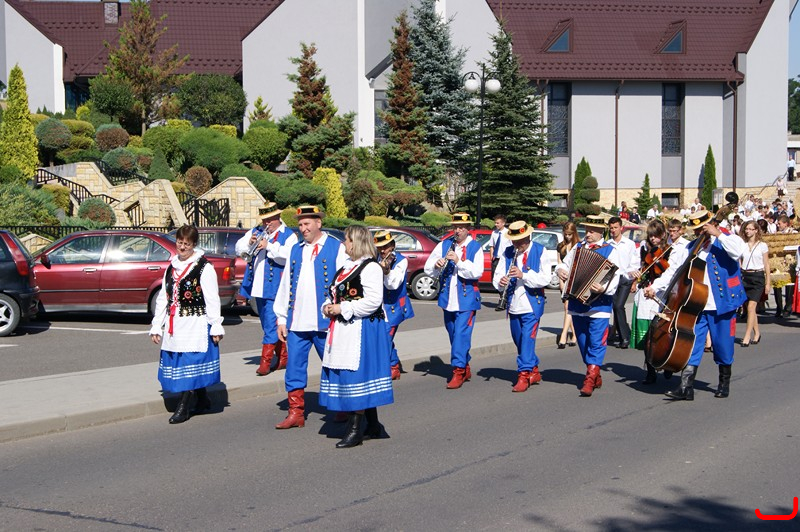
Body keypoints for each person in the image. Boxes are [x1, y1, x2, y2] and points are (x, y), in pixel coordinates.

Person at [644, 209, 747, 400]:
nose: (700, 233)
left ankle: (724, 383)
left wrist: (718, 234)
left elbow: (738, 252)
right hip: (696, 304)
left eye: (702, 229)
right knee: (693, 344)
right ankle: (686, 387)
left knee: (723, 345)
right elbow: (674, 271)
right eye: (697, 230)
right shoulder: (691, 247)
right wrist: (655, 286)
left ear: (711, 224)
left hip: (722, 302)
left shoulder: (727, 238)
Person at [273, 206, 347, 429]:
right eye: (300, 224)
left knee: (334, 365)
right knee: (294, 367)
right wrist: (281, 318)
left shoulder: (336, 247)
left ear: (319, 223)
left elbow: (344, 283)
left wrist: (340, 310)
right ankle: (296, 412)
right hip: (297, 322)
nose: (303, 228)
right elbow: (285, 285)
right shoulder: (295, 250)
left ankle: (341, 407)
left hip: (326, 323)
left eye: (307, 224)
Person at [319, 226, 394, 448]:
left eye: (347, 239)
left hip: (363, 329)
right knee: (357, 375)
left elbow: (373, 301)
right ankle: (373, 425)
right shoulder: (346, 267)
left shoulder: (371, 268)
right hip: (345, 328)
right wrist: (328, 306)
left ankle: (355, 431)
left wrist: (342, 308)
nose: (344, 243)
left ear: (357, 242)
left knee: (357, 376)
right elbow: (334, 294)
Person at [149, 224, 224, 424]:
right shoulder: (172, 267)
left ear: (194, 245)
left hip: (195, 323)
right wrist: (157, 325)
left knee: (190, 362)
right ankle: (202, 399)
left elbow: (212, 299)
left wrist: (216, 325)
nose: (182, 247)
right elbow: (164, 298)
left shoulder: (204, 267)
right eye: (180, 243)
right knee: (180, 361)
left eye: (187, 244)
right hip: (175, 324)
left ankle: (184, 406)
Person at [555, 218, 621, 397]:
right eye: (587, 230)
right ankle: (595, 372)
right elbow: (564, 264)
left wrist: (603, 288)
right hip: (577, 302)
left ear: (601, 232)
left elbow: (615, 276)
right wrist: (560, 270)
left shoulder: (610, 250)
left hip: (600, 304)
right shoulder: (578, 247)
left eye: (592, 231)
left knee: (597, 342)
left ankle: (590, 379)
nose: (588, 234)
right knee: (583, 342)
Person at [235, 201, 297, 376]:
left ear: (278, 217)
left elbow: (290, 256)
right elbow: (238, 248)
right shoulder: (256, 231)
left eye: (269, 220)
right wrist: (250, 243)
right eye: (264, 220)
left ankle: (265, 363)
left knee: (270, 324)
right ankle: (283, 358)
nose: (266, 224)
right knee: (266, 324)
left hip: (275, 287)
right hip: (257, 286)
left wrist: (268, 246)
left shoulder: (289, 235)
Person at [424, 212, 484, 389]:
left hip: (467, 299)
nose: (458, 231)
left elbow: (477, 272)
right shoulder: (444, 244)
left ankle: (457, 370)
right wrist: (436, 265)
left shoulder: (475, 247)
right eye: (456, 227)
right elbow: (428, 267)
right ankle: (464, 365)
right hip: (447, 298)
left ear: (468, 229)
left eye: (461, 228)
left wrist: (459, 261)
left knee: (461, 334)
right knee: (453, 334)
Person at [493, 220, 553, 392]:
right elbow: (497, 276)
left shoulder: (540, 251)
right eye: (514, 241)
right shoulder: (508, 252)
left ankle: (524, 375)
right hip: (513, 304)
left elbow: (545, 278)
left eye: (520, 241)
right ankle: (534, 369)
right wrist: (501, 282)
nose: (517, 245)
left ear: (528, 237)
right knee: (519, 340)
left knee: (527, 339)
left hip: (531, 305)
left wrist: (523, 275)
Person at [629, 219, 672, 383]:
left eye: (656, 235)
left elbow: (669, 273)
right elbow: (636, 267)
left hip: (661, 295)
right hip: (644, 294)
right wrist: (635, 275)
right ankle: (650, 370)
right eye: (651, 236)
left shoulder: (669, 250)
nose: (653, 239)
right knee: (646, 335)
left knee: (661, 333)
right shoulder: (643, 249)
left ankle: (666, 363)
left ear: (663, 235)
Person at [374, 230, 414, 380]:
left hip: (393, 306)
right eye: (380, 247)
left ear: (392, 245)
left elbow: (393, 284)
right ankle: (393, 364)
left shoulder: (401, 261)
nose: (383, 250)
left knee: (385, 338)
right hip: (377, 306)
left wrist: (386, 271)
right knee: (380, 338)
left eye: (385, 247)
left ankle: (392, 367)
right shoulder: (374, 258)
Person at [738, 220, 770, 346]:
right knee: (749, 307)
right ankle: (757, 332)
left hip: (757, 276)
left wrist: (768, 282)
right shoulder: (743, 245)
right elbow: (740, 261)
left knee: (751, 307)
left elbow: (766, 264)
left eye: (750, 229)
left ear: (756, 230)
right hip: (745, 276)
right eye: (746, 229)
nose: (748, 231)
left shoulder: (762, 245)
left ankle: (747, 335)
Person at [608, 216, 638, 349]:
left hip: (625, 279)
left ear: (621, 228)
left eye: (616, 227)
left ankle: (625, 337)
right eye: (611, 228)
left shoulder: (629, 244)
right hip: (612, 279)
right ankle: (623, 336)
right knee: (616, 307)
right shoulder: (608, 244)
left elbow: (634, 262)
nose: (613, 230)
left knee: (619, 305)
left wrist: (633, 280)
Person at [556, 222, 579, 348]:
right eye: (566, 234)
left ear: (574, 233)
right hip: (563, 279)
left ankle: (564, 335)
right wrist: (560, 281)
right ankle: (574, 335)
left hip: (574, 280)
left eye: (570, 234)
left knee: (568, 307)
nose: (568, 237)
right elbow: (559, 263)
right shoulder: (561, 246)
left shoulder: (578, 245)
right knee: (567, 308)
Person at [774, 214, 797, 317]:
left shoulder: (794, 233)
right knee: (776, 285)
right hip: (779, 262)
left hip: (789, 262)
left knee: (789, 285)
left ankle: (788, 307)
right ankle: (779, 307)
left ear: (786, 224)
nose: (778, 225)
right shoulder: (776, 234)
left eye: (779, 223)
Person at [489, 214, 510, 308]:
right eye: (495, 223)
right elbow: (492, 246)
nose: (496, 224)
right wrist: (491, 256)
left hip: (504, 259)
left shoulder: (508, 233)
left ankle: (503, 300)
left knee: (503, 279)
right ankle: (502, 296)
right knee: (495, 279)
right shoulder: (494, 233)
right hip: (496, 259)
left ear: (503, 223)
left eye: (498, 223)